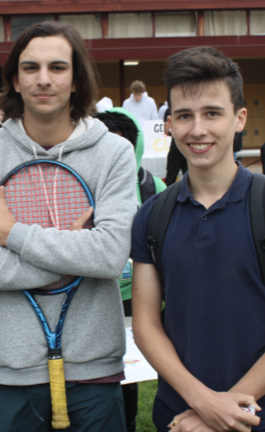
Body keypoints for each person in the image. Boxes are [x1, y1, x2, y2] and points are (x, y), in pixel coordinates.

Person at [0, 21, 136, 432]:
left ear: (76, 79)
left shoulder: (114, 153)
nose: (44, 79)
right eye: (31, 68)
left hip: (94, 367)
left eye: (57, 67)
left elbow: (110, 256)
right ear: (15, 80)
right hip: (5, 370)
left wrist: (13, 235)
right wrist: (75, 254)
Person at [132, 46, 265, 432]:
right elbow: (146, 326)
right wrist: (204, 403)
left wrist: (221, 412)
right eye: (184, 115)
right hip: (180, 415)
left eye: (212, 113)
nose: (197, 129)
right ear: (169, 124)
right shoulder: (152, 215)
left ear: (239, 119)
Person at [93, 107, 166, 432]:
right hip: (93, 292)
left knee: (130, 367)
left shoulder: (153, 187)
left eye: (122, 144)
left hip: (136, 296)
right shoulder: (79, 184)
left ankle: (129, 422)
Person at [163, 108, 188, 186]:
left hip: (176, 145)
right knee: (189, 178)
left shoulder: (169, 110)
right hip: (187, 145)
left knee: (170, 179)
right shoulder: (187, 108)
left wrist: (173, 135)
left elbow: (166, 131)